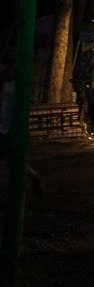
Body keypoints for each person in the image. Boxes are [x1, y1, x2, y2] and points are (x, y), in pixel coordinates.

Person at [0, 65, 43, 196]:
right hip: (7, 130)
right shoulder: (13, 87)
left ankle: (36, 178)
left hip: (5, 131)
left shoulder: (10, 88)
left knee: (15, 162)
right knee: (15, 162)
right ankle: (35, 178)